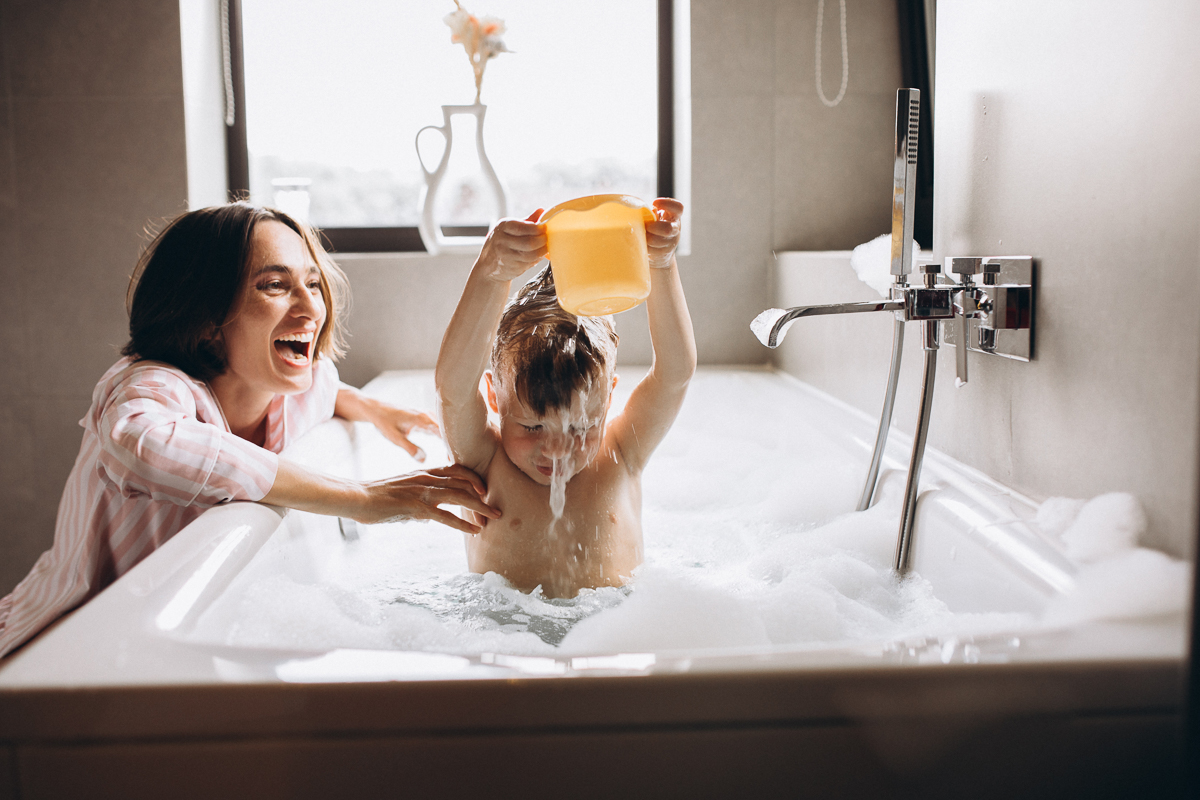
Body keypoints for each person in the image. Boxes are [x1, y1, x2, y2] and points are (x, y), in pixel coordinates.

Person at [0, 202, 499, 658]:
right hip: (50, 641)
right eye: (275, 285)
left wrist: (370, 407)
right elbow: (142, 443)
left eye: (313, 282)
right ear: (205, 314)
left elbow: (325, 383)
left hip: (146, 652)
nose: (310, 308)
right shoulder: (149, 384)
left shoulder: (298, 388)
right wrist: (363, 499)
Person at [435, 198, 695, 598]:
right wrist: (491, 273)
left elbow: (675, 374)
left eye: (580, 426)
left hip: (611, 637)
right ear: (493, 397)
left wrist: (661, 265)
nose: (556, 448)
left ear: (608, 399)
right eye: (533, 426)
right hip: (513, 640)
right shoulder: (485, 462)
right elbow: (452, 389)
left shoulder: (622, 453)